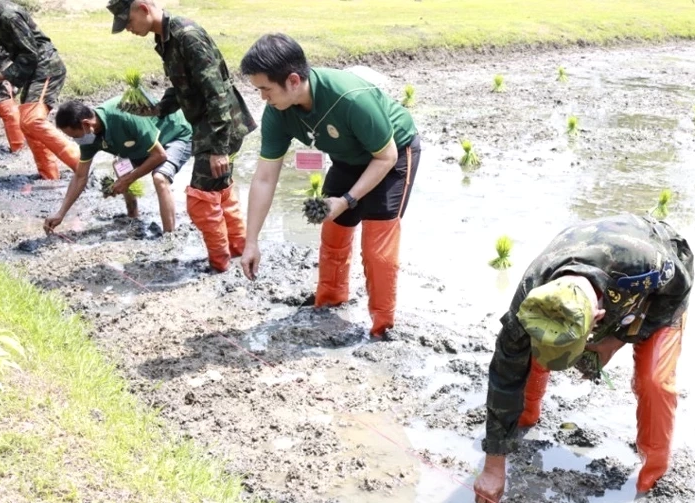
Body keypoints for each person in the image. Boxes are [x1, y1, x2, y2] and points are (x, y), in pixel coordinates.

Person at [471, 214, 694, 503]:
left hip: (658, 290)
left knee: (654, 381)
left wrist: (616, 340)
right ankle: (526, 418)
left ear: (597, 321)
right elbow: (504, 375)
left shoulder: (647, 267)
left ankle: (652, 475)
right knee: (531, 352)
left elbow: (679, 289)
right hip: (588, 254)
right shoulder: (531, 298)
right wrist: (494, 465)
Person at [236, 33, 422, 339]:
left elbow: (385, 156)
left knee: (377, 247)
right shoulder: (277, 113)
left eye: (265, 89)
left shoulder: (350, 98)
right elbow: (265, 177)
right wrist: (251, 241)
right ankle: (331, 299)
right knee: (333, 229)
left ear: (293, 81)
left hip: (393, 154)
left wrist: (347, 199)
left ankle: (382, 327)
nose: (262, 98)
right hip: (348, 158)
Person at [107, 0, 256, 272]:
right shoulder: (164, 40)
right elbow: (181, 88)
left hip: (220, 127)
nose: (128, 29)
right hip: (207, 126)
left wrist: (219, 148)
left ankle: (220, 264)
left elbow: (216, 93)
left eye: (127, 22)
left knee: (201, 200)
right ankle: (237, 251)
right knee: (219, 191)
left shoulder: (187, 36)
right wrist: (156, 110)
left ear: (143, 7)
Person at [0, 0, 79, 179]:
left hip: (45, 67)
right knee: (28, 124)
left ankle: (81, 164)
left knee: (31, 120)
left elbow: (30, 53)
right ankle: (49, 176)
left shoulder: (7, 14)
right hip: (32, 72)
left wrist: (3, 76)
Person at [43, 98, 192, 235]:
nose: (75, 140)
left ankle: (169, 235)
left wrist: (127, 180)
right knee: (121, 166)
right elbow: (80, 176)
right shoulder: (89, 137)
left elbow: (159, 155)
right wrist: (60, 213)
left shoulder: (122, 115)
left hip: (175, 135)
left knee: (160, 178)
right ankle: (133, 216)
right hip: (144, 145)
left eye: (74, 135)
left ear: (86, 124)